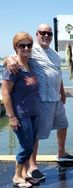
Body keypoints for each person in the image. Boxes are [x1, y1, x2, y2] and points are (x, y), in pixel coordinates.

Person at [5, 24, 73, 181]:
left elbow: (58, 73)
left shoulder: (55, 54)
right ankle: (32, 166)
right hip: (42, 100)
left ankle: (61, 153)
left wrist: (62, 92)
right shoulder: (31, 49)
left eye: (49, 33)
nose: (46, 36)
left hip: (56, 98)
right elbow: (13, 58)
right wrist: (8, 59)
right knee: (35, 136)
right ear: (37, 34)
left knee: (63, 125)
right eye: (43, 33)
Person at [2, 32, 39, 188]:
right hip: (21, 114)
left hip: (33, 113)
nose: (25, 48)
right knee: (26, 146)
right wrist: (11, 116)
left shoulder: (29, 65)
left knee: (30, 143)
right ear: (15, 47)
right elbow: (5, 93)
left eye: (28, 45)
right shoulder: (13, 68)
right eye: (21, 45)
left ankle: (24, 174)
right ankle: (17, 176)